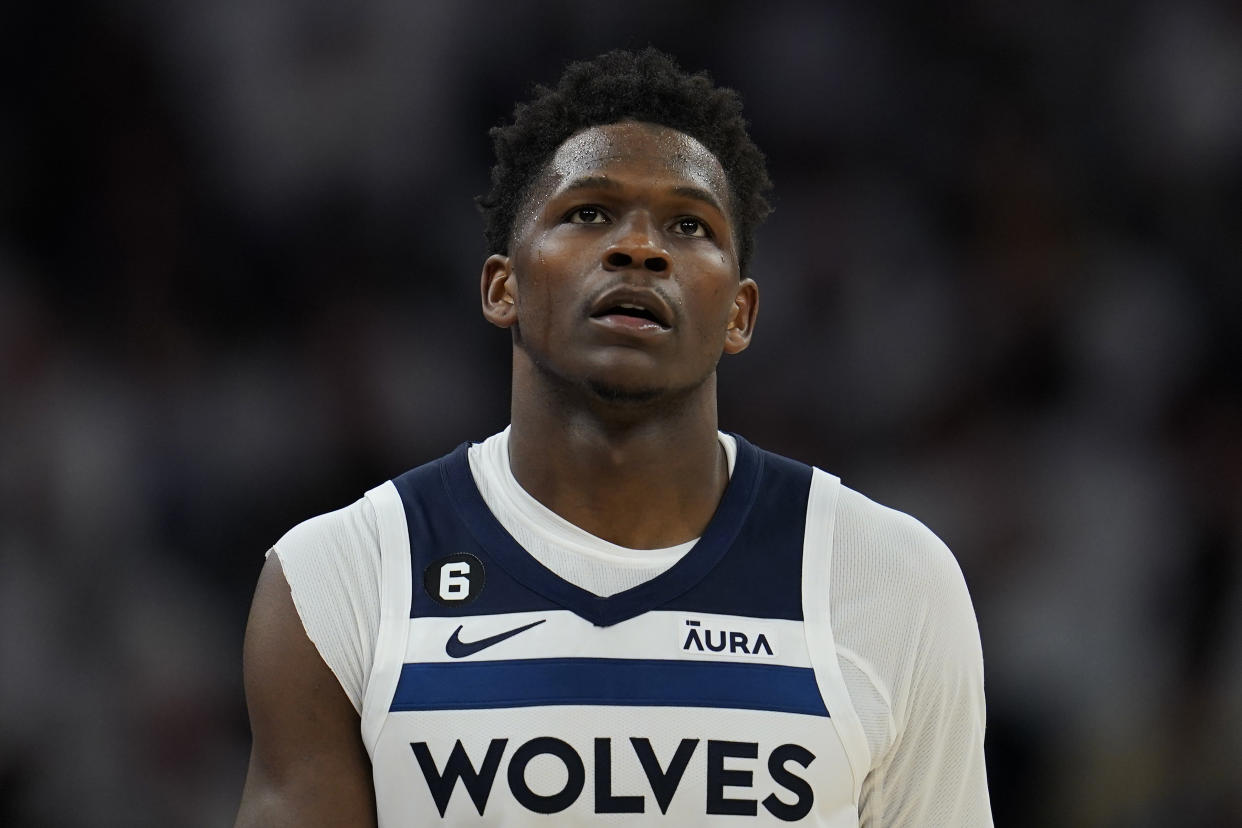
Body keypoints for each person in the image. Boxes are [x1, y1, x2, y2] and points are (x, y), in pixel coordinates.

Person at [235, 48, 991, 826]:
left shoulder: (889, 579)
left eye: (689, 224)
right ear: (504, 287)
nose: (640, 248)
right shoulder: (340, 578)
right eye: (589, 212)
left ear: (740, 313)